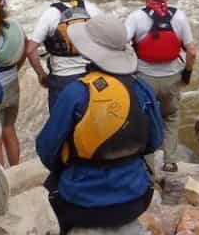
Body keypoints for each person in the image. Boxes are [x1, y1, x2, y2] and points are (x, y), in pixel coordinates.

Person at [36, 15, 164, 235]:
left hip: (80, 202)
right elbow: (155, 141)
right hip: (135, 197)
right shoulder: (142, 89)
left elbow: (47, 149)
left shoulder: (76, 93)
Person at [124, 0, 197, 172]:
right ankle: (170, 161)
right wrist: (186, 76)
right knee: (171, 116)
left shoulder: (136, 17)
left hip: (144, 78)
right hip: (172, 77)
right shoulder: (180, 16)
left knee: (145, 117)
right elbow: (191, 51)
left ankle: (147, 165)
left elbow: (122, 44)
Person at [26, 0, 101, 111]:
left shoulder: (51, 14)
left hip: (62, 78)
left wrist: (41, 75)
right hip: (91, 75)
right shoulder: (92, 9)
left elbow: (30, 50)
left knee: (59, 124)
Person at [0, 0, 26, 166]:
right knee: (9, 130)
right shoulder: (16, 26)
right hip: (12, 84)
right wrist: (15, 71)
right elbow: (24, 51)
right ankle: (16, 169)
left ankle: (3, 178)